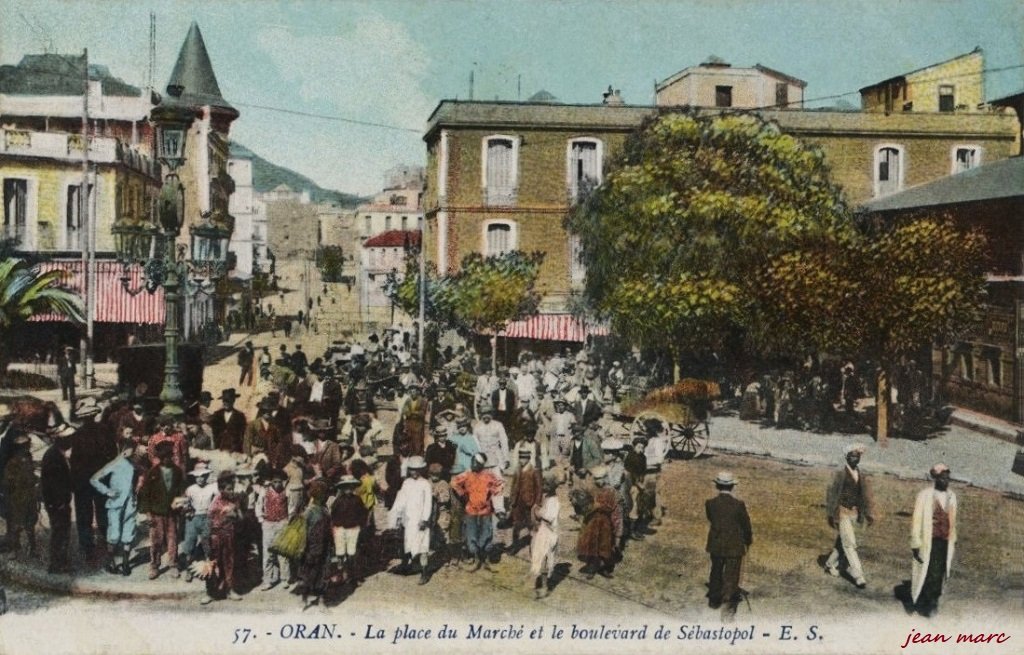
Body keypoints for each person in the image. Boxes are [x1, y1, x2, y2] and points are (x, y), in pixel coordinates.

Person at [70, 397, 116, 563]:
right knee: (104, 511)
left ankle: (88, 548)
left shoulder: (77, 435)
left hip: (83, 482)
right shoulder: (105, 431)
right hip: (101, 480)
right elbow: (112, 457)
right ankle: (107, 544)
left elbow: (74, 462)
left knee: (84, 515)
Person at [910, 464, 958, 617]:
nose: (945, 481)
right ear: (936, 478)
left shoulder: (951, 496)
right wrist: (916, 542)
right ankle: (926, 604)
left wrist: (953, 538)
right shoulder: (925, 495)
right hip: (929, 540)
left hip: (944, 541)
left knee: (940, 572)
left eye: (947, 478)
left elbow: (952, 521)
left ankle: (932, 602)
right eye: (942, 478)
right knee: (929, 572)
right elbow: (917, 520)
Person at [824, 444, 875, 589]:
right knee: (850, 544)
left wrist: (868, 513)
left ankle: (829, 564)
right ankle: (859, 576)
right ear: (847, 457)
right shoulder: (840, 473)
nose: (855, 458)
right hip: (842, 511)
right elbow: (832, 493)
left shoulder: (860, 474)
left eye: (857, 456)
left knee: (843, 542)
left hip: (854, 512)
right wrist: (830, 513)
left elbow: (864, 495)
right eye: (852, 456)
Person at [705, 471, 753, 621]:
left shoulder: (710, 503)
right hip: (734, 544)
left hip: (716, 542)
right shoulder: (738, 505)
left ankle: (713, 601)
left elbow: (712, 519)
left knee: (716, 571)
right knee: (731, 577)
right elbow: (746, 525)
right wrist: (748, 540)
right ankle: (727, 611)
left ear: (717, 486)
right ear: (732, 486)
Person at [90, 438, 140, 576]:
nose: (133, 451)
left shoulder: (135, 464)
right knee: (114, 534)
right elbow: (94, 479)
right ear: (124, 449)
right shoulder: (115, 463)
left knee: (128, 532)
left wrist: (136, 492)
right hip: (116, 503)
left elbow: (139, 478)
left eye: (133, 449)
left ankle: (125, 562)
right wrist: (107, 491)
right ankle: (110, 562)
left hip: (130, 503)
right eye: (130, 449)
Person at [137, 442, 187, 579]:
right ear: (159, 457)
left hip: (172, 513)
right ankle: (154, 565)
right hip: (156, 513)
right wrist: (147, 513)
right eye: (164, 456)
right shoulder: (152, 472)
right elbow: (145, 494)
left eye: (169, 456)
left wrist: (181, 503)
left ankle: (173, 564)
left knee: (172, 539)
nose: (167, 459)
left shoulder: (177, 471)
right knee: (156, 540)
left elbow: (181, 491)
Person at [450, 453, 505, 572]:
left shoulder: (488, 475)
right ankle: (475, 559)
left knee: (486, 534)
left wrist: (492, 493)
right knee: (472, 536)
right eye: (472, 462)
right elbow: (454, 482)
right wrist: (463, 493)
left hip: (486, 511)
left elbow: (500, 484)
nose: (472, 465)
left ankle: (485, 560)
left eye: (475, 463)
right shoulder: (467, 475)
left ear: (481, 465)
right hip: (471, 510)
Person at [387, 455, 434, 584]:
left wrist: (424, 519)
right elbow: (401, 499)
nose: (414, 472)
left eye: (417, 469)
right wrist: (398, 515)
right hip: (408, 519)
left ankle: (424, 572)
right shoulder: (406, 483)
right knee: (408, 544)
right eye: (412, 469)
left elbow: (428, 503)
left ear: (422, 470)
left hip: (420, 519)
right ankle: (406, 565)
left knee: (423, 546)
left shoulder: (425, 484)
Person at [203, 471, 244, 604]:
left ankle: (229, 590)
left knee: (229, 563)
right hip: (215, 537)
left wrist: (236, 513)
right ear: (221, 489)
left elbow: (241, 518)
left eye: (232, 489)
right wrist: (206, 541)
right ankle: (210, 593)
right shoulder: (215, 502)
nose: (232, 491)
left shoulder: (235, 500)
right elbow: (208, 522)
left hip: (230, 536)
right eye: (228, 489)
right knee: (213, 564)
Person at [41, 424, 75, 573]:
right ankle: (56, 564)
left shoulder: (56, 454)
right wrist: (59, 503)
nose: (71, 441)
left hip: (60, 502)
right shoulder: (53, 457)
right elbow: (52, 484)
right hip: (57, 503)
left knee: (62, 532)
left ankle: (61, 561)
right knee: (59, 533)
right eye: (68, 438)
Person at [576, 465, 620, 580]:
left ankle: (604, 568)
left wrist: (599, 506)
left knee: (604, 544)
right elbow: (585, 504)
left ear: (605, 478)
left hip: (605, 522)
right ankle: (592, 567)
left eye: (601, 478)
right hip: (592, 521)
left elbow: (612, 508)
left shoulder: (610, 491)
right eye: (596, 479)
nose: (598, 481)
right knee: (592, 544)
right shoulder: (591, 489)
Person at [299, 480, 333, 608]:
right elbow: (302, 532)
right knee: (309, 574)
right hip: (311, 548)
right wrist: (303, 548)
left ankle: (321, 601)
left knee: (323, 574)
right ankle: (305, 599)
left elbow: (329, 527)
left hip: (325, 546)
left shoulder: (325, 510)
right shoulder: (309, 511)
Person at [2, 435, 37, 558]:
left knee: (30, 523)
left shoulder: (28, 460)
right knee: (16, 525)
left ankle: (33, 549)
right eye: (26, 446)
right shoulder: (13, 463)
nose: (27, 448)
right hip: (18, 499)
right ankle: (14, 550)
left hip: (29, 497)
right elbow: (8, 483)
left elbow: (31, 476)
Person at [330, 475, 367, 587]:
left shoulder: (357, 500)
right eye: (346, 487)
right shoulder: (338, 501)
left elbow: (363, 514)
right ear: (342, 488)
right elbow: (333, 514)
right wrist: (334, 527)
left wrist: (361, 525)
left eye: (350, 487)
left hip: (353, 528)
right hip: (340, 528)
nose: (348, 490)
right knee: (340, 552)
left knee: (352, 552)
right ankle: (341, 572)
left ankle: (352, 575)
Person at [181, 467, 217, 582]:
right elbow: (183, 502)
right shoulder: (190, 489)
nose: (200, 479)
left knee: (207, 543)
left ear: (206, 477)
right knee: (189, 543)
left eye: (202, 476)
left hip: (207, 517)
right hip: (193, 517)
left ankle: (209, 570)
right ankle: (188, 570)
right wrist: (186, 509)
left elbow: (218, 499)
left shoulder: (212, 488)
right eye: (197, 477)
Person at [530, 475, 561, 599]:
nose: (545, 488)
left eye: (548, 485)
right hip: (542, 531)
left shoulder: (555, 501)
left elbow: (548, 517)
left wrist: (537, 511)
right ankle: (539, 582)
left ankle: (545, 586)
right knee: (538, 557)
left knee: (545, 559)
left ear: (553, 487)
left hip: (549, 533)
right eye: (544, 485)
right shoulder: (545, 498)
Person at [508, 449, 543, 554]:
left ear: (528, 459)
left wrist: (537, 503)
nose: (522, 460)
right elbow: (513, 485)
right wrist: (512, 499)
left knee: (531, 526)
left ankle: (534, 548)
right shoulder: (518, 470)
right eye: (520, 458)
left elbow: (539, 488)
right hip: (518, 503)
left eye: (524, 458)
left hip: (529, 503)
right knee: (516, 526)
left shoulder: (534, 471)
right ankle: (514, 547)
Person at [473, 410, 510, 475]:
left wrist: (506, 458)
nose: (486, 416)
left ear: (491, 414)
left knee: (498, 480)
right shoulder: (477, 426)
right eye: (484, 414)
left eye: (488, 413)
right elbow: (475, 444)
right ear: (481, 415)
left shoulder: (498, 425)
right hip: (483, 456)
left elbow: (504, 442)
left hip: (496, 456)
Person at [210, 389, 247, 453]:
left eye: (228, 401)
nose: (225, 403)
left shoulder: (240, 416)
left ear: (233, 401)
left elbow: (243, 435)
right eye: (224, 401)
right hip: (219, 449)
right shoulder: (217, 415)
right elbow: (213, 432)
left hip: (234, 450)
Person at [398, 385, 430, 456]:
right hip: (409, 424)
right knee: (409, 441)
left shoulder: (423, 401)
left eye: (414, 392)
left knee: (418, 441)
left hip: (418, 424)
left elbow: (422, 413)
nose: (412, 394)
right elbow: (405, 410)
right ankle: (411, 456)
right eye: (411, 392)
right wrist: (413, 413)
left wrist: (412, 412)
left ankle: (418, 456)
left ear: (417, 392)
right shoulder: (408, 400)